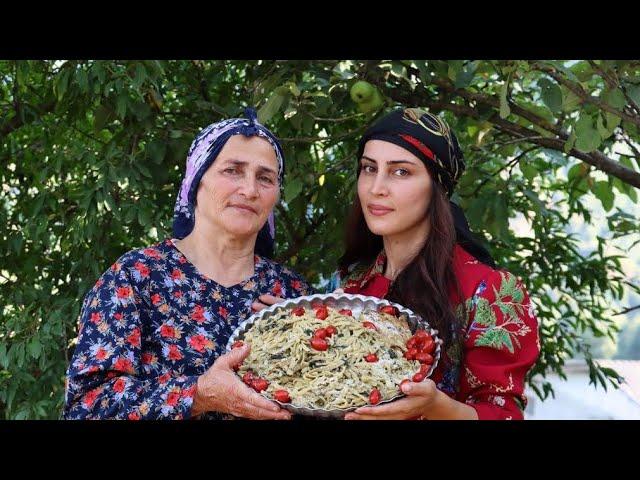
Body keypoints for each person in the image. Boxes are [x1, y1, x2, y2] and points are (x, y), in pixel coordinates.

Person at [255, 107, 540, 420]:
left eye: (400, 171)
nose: (377, 187)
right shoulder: (354, 281)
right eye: (368, 168)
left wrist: (437, 407)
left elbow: (503, 413)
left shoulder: (490, 292)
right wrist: (299, 328)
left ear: (437, 188)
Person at [63, 108, 312, 420]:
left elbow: (331, 400)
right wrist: (198, 394)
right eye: (232, 170)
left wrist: (310, 339)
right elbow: (86, 407)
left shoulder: (292, 293)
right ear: (197, 180)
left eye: (265, 178)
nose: (249, 190)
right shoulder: (137, 277)